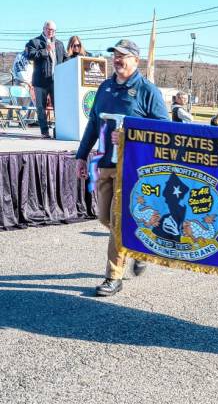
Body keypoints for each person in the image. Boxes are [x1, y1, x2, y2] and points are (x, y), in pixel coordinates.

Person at [75, 39, 169, 297]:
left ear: (136, 60)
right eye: (115, 55)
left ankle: (113, 277)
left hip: (133, 170)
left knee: (117, 222)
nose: (117, 59)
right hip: (105, 164)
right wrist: (81, 157)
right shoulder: (104, 88)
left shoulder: (148, 91)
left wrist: (130, 135)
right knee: (104, 217)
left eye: (123, 55)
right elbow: (93, 125)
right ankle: (137, 246)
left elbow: (165, 130)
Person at [25, 20, 67, 138]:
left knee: (58, 107)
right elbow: (29, 55)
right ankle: (44, 132)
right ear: (43, 29)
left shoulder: (59, 44)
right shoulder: (34, 42)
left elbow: (64, 59)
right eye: (48, 29)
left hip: (55, 81)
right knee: (41, 107)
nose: (50, 32)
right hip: (40, 81)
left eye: (53, 30)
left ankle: (58, 130)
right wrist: (46, 51)